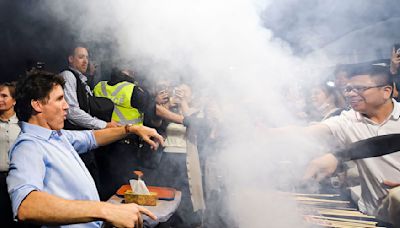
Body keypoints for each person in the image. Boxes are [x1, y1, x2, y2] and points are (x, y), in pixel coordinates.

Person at [7, 72, 163, 227]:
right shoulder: (29, 146)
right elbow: (26, 206)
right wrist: (106, 210)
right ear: (37, 105)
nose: (66, 105)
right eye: (60, 99)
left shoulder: (57, 136)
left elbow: (92, 137)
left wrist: (131, 129)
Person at [300, 64, 400, 225]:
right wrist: (269, 133)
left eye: (360, 88)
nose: (351, 94)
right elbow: (306, 131)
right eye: (348, 89)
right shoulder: (349, 118)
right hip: (373, 216)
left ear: (386, 91)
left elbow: (390, 141)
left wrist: (337, 156)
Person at [59, 46, 117, 185]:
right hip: (74, 141)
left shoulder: (81, 80)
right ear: (71, 59)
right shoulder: (68, 75)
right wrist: (103, 125)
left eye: (86, 57)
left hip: (85, 140)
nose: (85, 61)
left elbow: (88, 108)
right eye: (81, 57)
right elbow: (72, 111)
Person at [0, 82, 20, 227]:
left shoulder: (23, 125)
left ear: (14, 100)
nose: (0, 99)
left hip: (17, 179)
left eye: (4, 96)